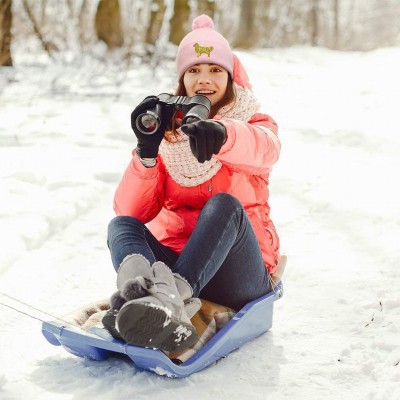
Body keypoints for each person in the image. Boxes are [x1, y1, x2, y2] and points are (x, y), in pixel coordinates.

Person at [102, 14, 282, 354]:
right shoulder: (170, 133)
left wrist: (224, 134)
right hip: (180, 262)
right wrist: (147, 153)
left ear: (230, 77)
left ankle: (172, 300)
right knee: (122, 225)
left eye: (215, 70)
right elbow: (133, 210)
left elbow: (265, 149)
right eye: (194, 70)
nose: (204, 79)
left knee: (224, 207)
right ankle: (138, 298)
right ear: (181, 80)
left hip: (239, 275)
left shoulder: (253, 122)